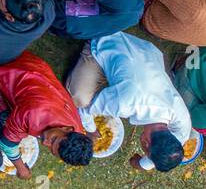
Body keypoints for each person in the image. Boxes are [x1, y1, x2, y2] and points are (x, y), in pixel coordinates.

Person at [66, 31, 192, 172]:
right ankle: (93, 51)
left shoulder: (179, 115)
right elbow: (85, 111)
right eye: (146, 153)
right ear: (145, 143)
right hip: (107, 43)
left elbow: (179, 139)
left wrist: (143, 164)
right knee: (79, 99)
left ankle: (116, 78)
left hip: (147, 52)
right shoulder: (127, 104)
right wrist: (91, 131)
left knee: (122, 83)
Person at [0, 51, 93, 176]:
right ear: (66, 129)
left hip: (35, 65)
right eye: (53, 140)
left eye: (51, 149)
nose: (45, 143)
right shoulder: (34, 114)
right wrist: (21, 168)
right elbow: (6, 143)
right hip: (5, 67)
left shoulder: (76, 128)